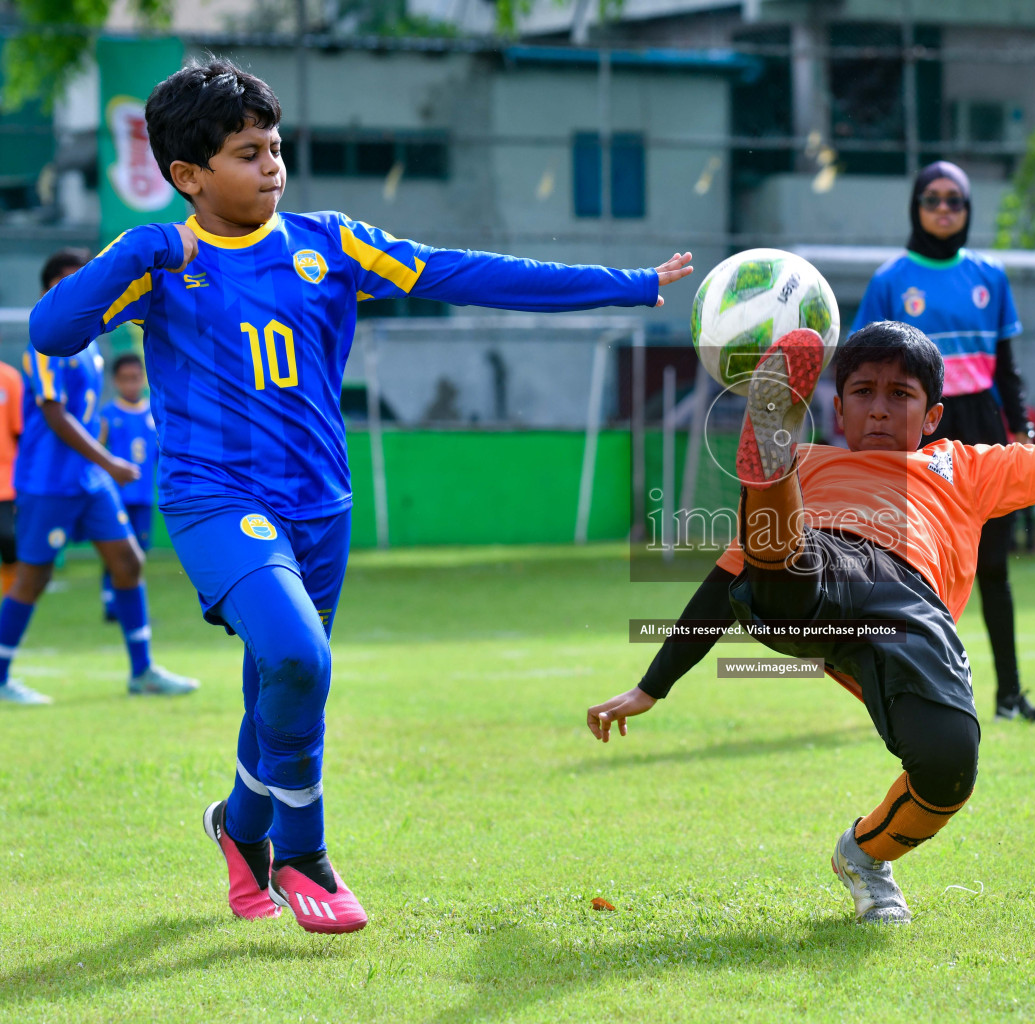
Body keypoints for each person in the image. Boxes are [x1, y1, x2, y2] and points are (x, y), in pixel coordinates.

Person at [29, 59, 692, 931]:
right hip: (211, 495)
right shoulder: (161, 259)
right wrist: (151, 244)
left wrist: (629, 287)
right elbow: (52, 329)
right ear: (188, 177)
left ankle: (240, 826)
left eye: (275, 147)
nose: (270, 165)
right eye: (246, 153)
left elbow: (465, 274)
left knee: (277, 686)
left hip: (322, 505)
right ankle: (307, 855)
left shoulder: (328, 242)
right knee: (300, 658)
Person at [587, 300, 1035, 925]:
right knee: (779, 561)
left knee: (950, 767)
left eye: (900, 394)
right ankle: (768, 436)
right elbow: (722, 583)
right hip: (817, 564)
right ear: (836, 409)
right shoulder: (813, 464)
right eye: (861, 392)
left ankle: (863, 857)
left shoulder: (963, 465)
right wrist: (653, 685)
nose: (880, 408)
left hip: (911, 609)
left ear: (933, 414)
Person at [850, 160, 1035, 724]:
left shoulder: (991, 274)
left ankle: (1010, 695)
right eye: (933, 199)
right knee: (907, 568)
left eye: (955, 200)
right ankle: (904, 694)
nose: (944, 209)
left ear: (968, 210)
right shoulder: (890, 280)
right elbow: (865, 366)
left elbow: (1005, 368)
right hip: (917, 430)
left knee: (993, 568)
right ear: (916, 205)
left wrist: (1023, 429)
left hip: (982, 427)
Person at [0, 250, 198, 708]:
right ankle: (2, 674)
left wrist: (101, 468)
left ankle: (143, 671)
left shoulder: (90, 342)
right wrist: (109, 460)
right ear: (50, 291)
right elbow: (54, 413)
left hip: (90, 480)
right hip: (49, 482)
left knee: (128, 561)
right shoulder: (45, 342)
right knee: (33, 576)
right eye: (71, 284)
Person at [99, 353, 157, 623]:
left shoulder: (155, 413)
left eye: (135, 378)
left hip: (144, 496)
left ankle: (131, 602)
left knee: (139, 551)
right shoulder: (108, 414)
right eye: (125, 379)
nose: (131, 384)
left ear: (143, 379)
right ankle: (111, 602)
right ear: (116, 381)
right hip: (116, 496)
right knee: (115, 549)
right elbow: (98, 451)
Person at [0, 354, 22, 596]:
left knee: (8, 539)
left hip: (5, 479)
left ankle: (10, 605)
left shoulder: (9, 378)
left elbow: (20, 431)